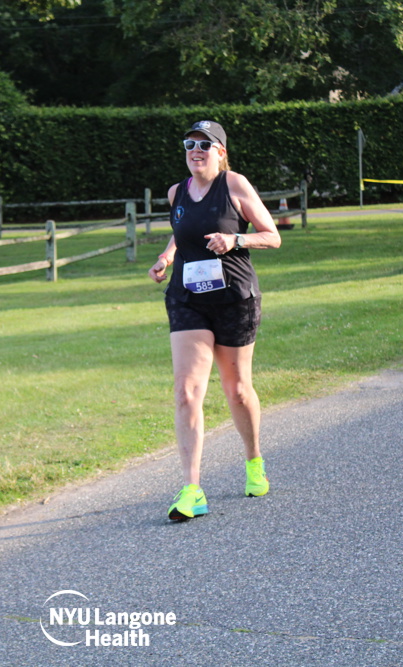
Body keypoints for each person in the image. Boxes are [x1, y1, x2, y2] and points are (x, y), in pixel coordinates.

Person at [148, 120, 282, 521]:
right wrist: (166, 257)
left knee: (237, 390)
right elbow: (182, 230)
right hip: (187, 298)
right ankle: (192, 489)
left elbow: (272, 235)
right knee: (187, 390)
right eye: (190, 144)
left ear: (220, 152)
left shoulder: (234, 185)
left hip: (233, 299)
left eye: (205, 145)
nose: (196, 151)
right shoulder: (177, 192)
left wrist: (235, 240)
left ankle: (254, 461)